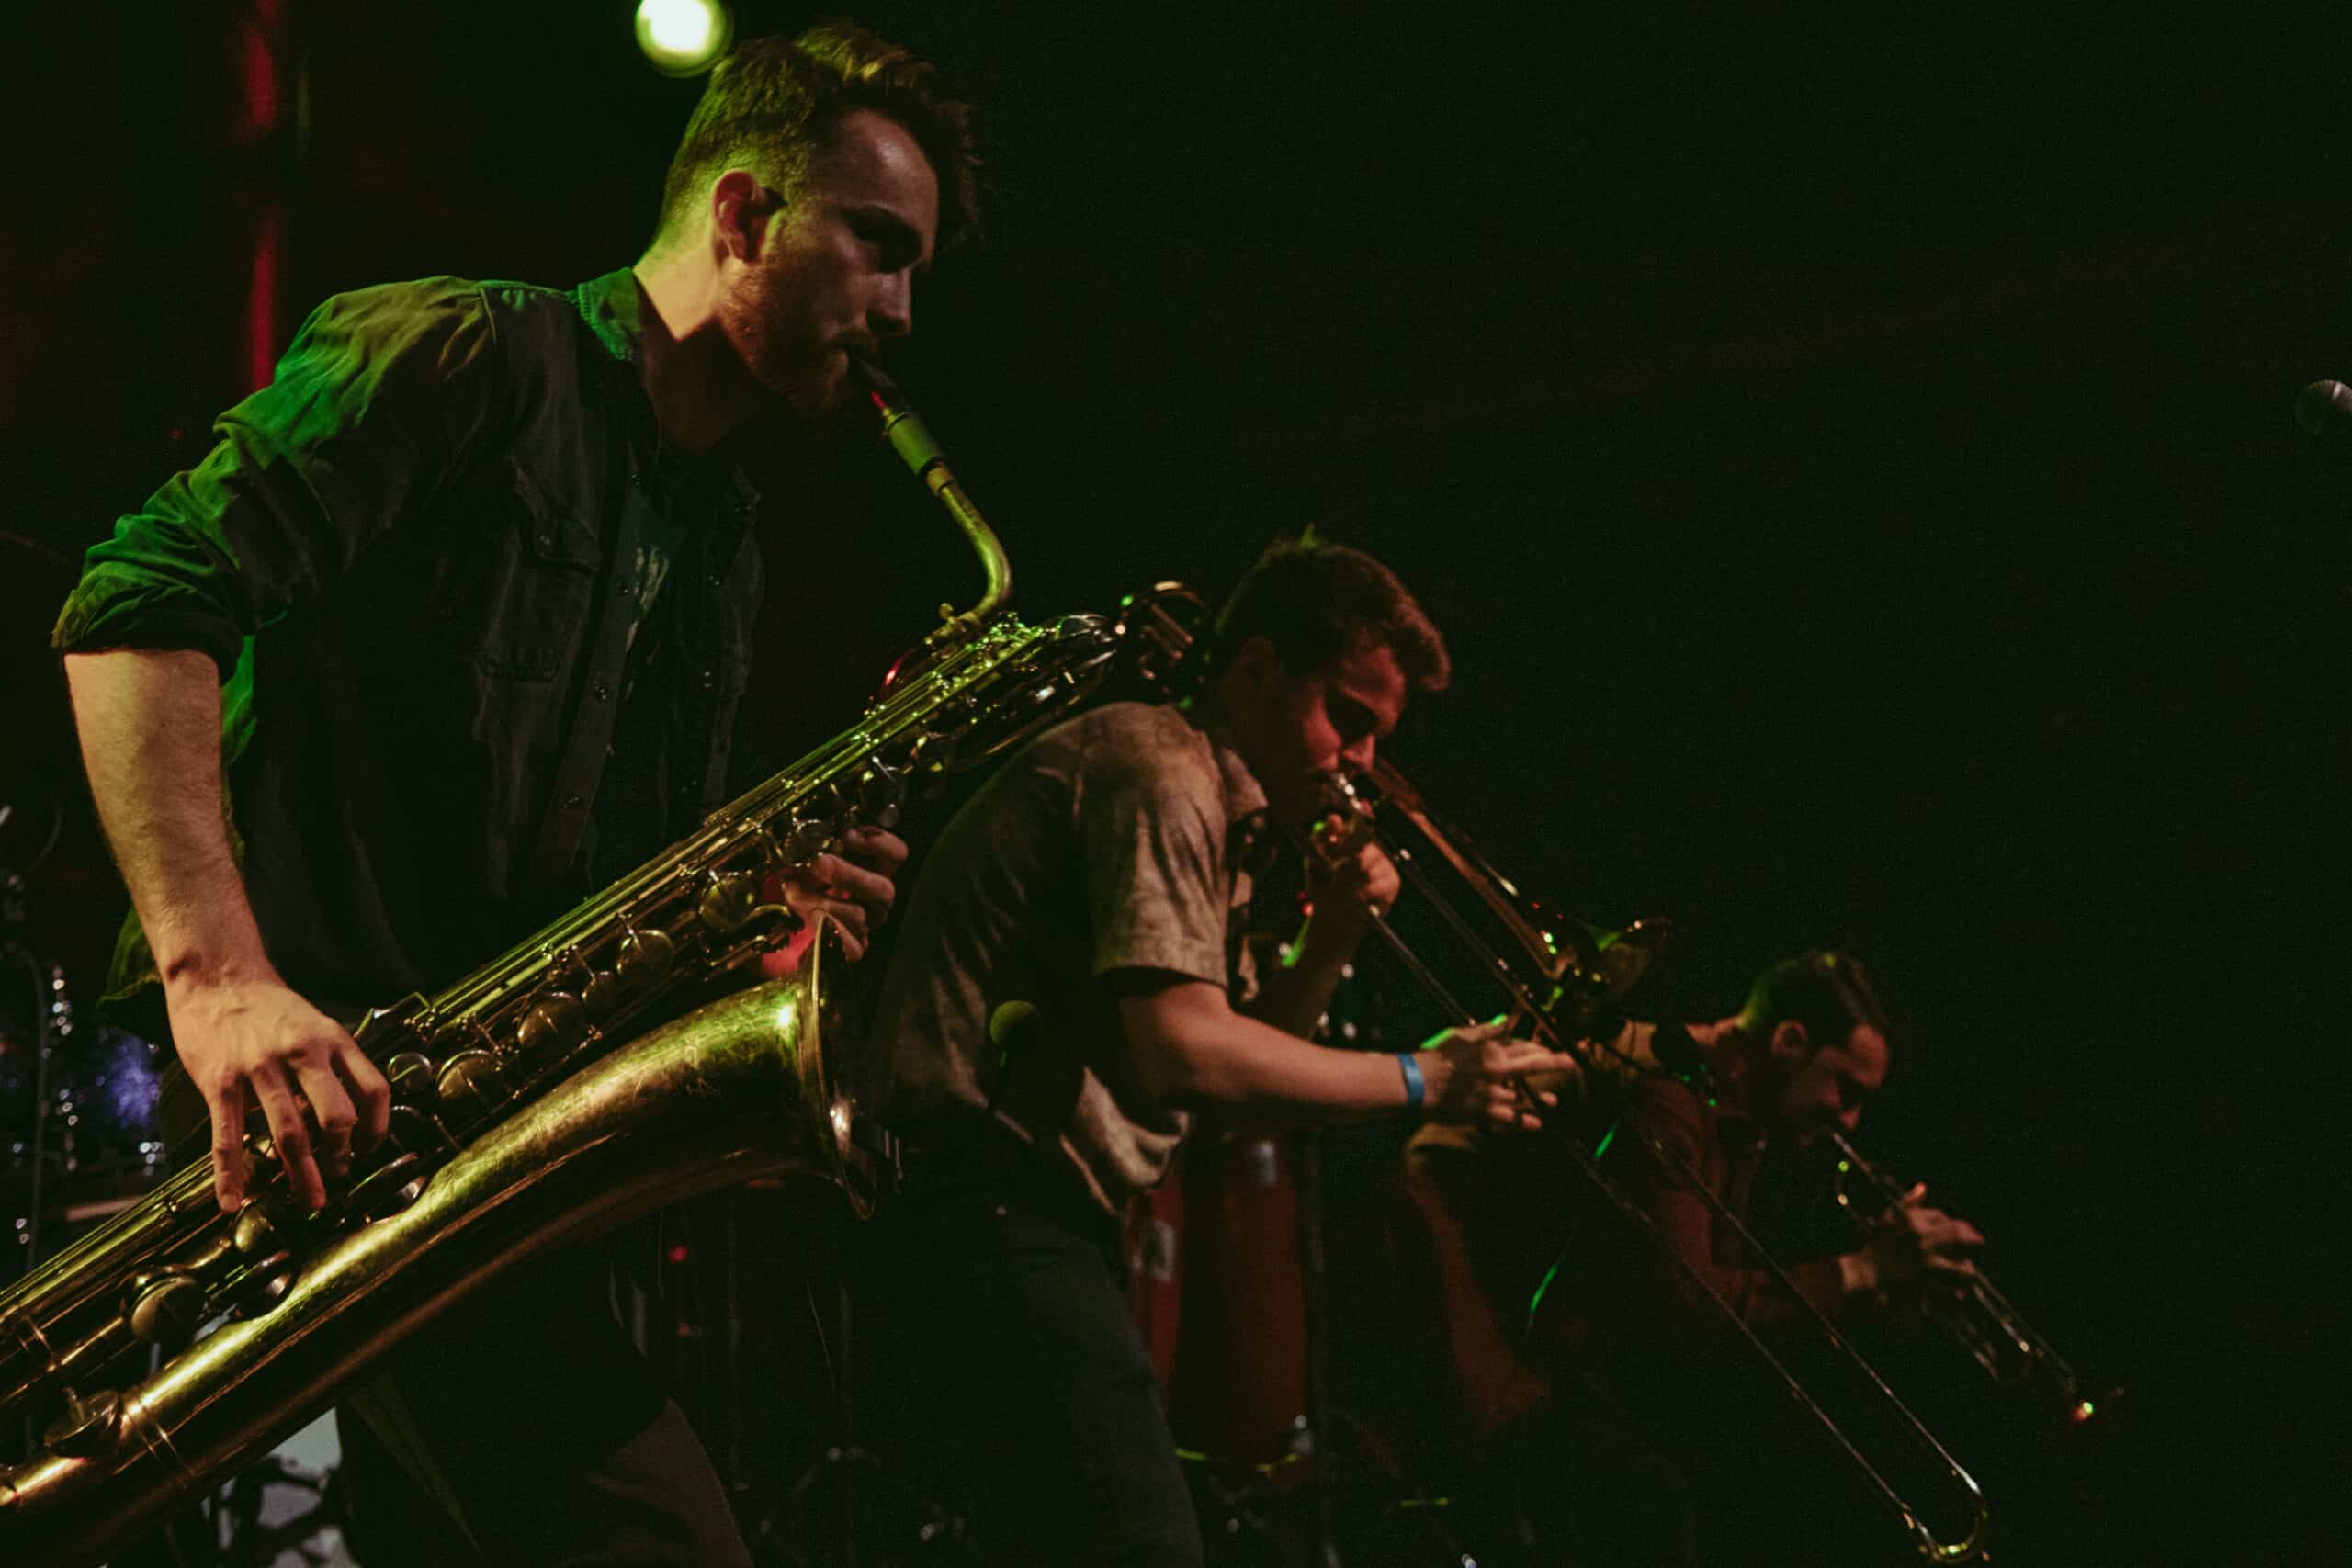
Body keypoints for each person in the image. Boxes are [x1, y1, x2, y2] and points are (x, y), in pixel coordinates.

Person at [50, 23, 973, 1565]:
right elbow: (133, 604)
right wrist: (219, 982)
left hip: (452, 1146)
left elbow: (578, 892)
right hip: (287, 1113)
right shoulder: (471, 353)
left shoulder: (724, 538)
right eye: (879, 246)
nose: (900, 311)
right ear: (743, 212)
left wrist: (744, 916)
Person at [854, 536, 1584, 1567]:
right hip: (984, 1190)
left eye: (1378, 735)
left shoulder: (1221, 812)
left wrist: (1330, 939)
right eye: (1346, 717)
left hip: (1028, 1205)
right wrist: (1429, 1078)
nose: (1362, 762)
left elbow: (1239, 1085)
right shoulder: (1160, 769)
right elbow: (1184, 1052)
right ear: (1254, 670)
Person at [1356, 949, 1987, 1565]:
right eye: (1845, 1089)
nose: (1849, 1121)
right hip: (1490, 1362)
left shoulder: (1738, 1120)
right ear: (1790, 1041)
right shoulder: (1673, 1096)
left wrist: (1882, 1287)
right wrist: (1862, 1270)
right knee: (1648, 1505)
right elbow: (1691, 1302)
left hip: (1547, 1367)